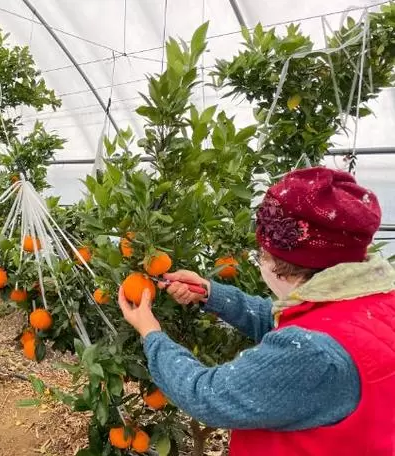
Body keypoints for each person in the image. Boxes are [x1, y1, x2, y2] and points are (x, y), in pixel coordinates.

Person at [118, 166, 395, 456]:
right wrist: (211, 293)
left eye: (263, 253)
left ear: (284, 264)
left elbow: (207, 395)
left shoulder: (314, 354)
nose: (260, 259)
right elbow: (286, 324)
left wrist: (151, 334)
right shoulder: (374, 302)